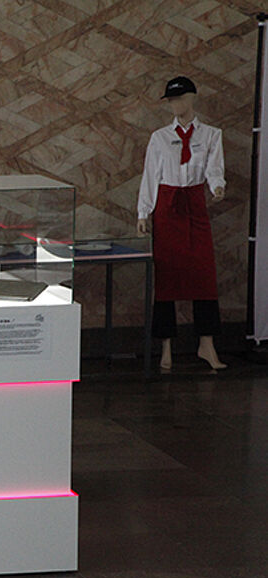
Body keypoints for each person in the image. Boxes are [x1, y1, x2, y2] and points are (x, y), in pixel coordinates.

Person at [137, 76, 226, 371]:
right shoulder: (160, 137)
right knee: (167, 276)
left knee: (204, 274)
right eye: (171, 100)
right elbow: (151, 175)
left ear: (191, 98)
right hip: (168, 206)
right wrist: (143, 212)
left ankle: (206, 344)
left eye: (179, 99)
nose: (175, 105)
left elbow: (214, 168)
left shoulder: (211, 135)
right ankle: (166, 346)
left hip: (195, 205)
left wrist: (217, 186)